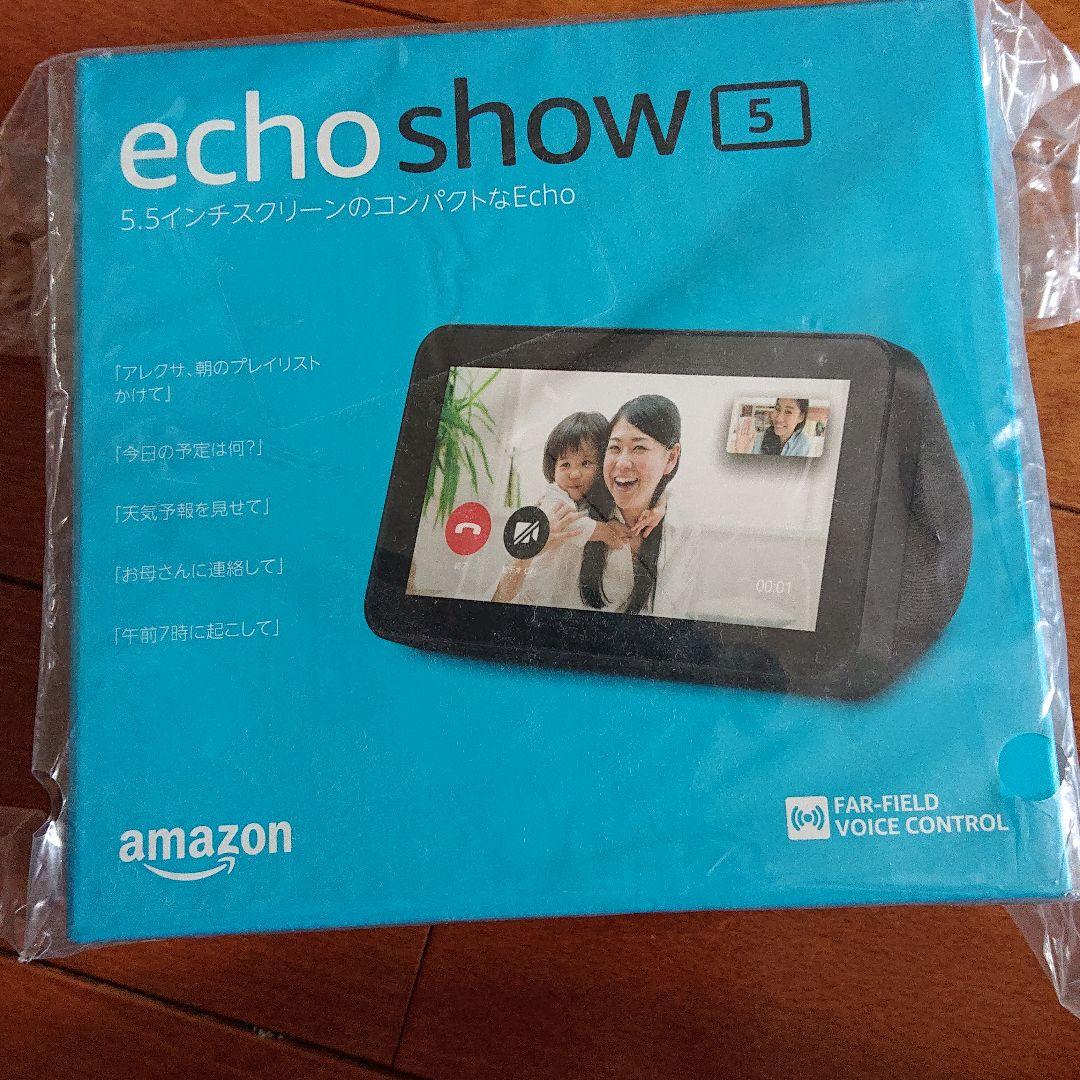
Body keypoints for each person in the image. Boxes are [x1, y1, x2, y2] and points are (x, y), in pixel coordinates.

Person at [492, 412, 665, 606]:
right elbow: (571, 525)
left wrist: (660, 506)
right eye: (565, 464)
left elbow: (661, 489)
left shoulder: (607, 501)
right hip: (534, 594)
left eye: (586, 463)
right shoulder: (554, 495)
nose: (574, 474)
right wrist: (606, 532)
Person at [578, 395, 697, 616]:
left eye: (639, 448)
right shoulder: (579, 516)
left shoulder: (681, 528)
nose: (622, 462)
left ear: (671, 458)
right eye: (614, 448)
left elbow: (672, 616)